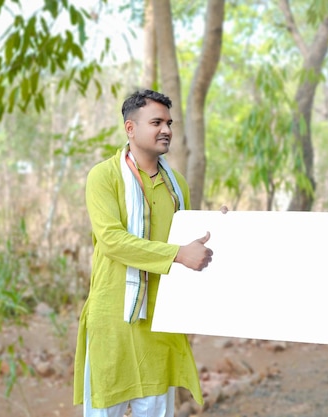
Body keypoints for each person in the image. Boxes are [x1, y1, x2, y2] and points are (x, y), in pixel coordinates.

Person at [73, 89, 213, 417]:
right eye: (156, 122)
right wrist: (177, 254)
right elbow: (112, 240)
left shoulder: (176, 184)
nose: (166, 129)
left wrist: (215, 226)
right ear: (130, 128)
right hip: (114, 318)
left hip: (160, 321)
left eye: (169, 122)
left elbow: (189, 242)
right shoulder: (104, 176)